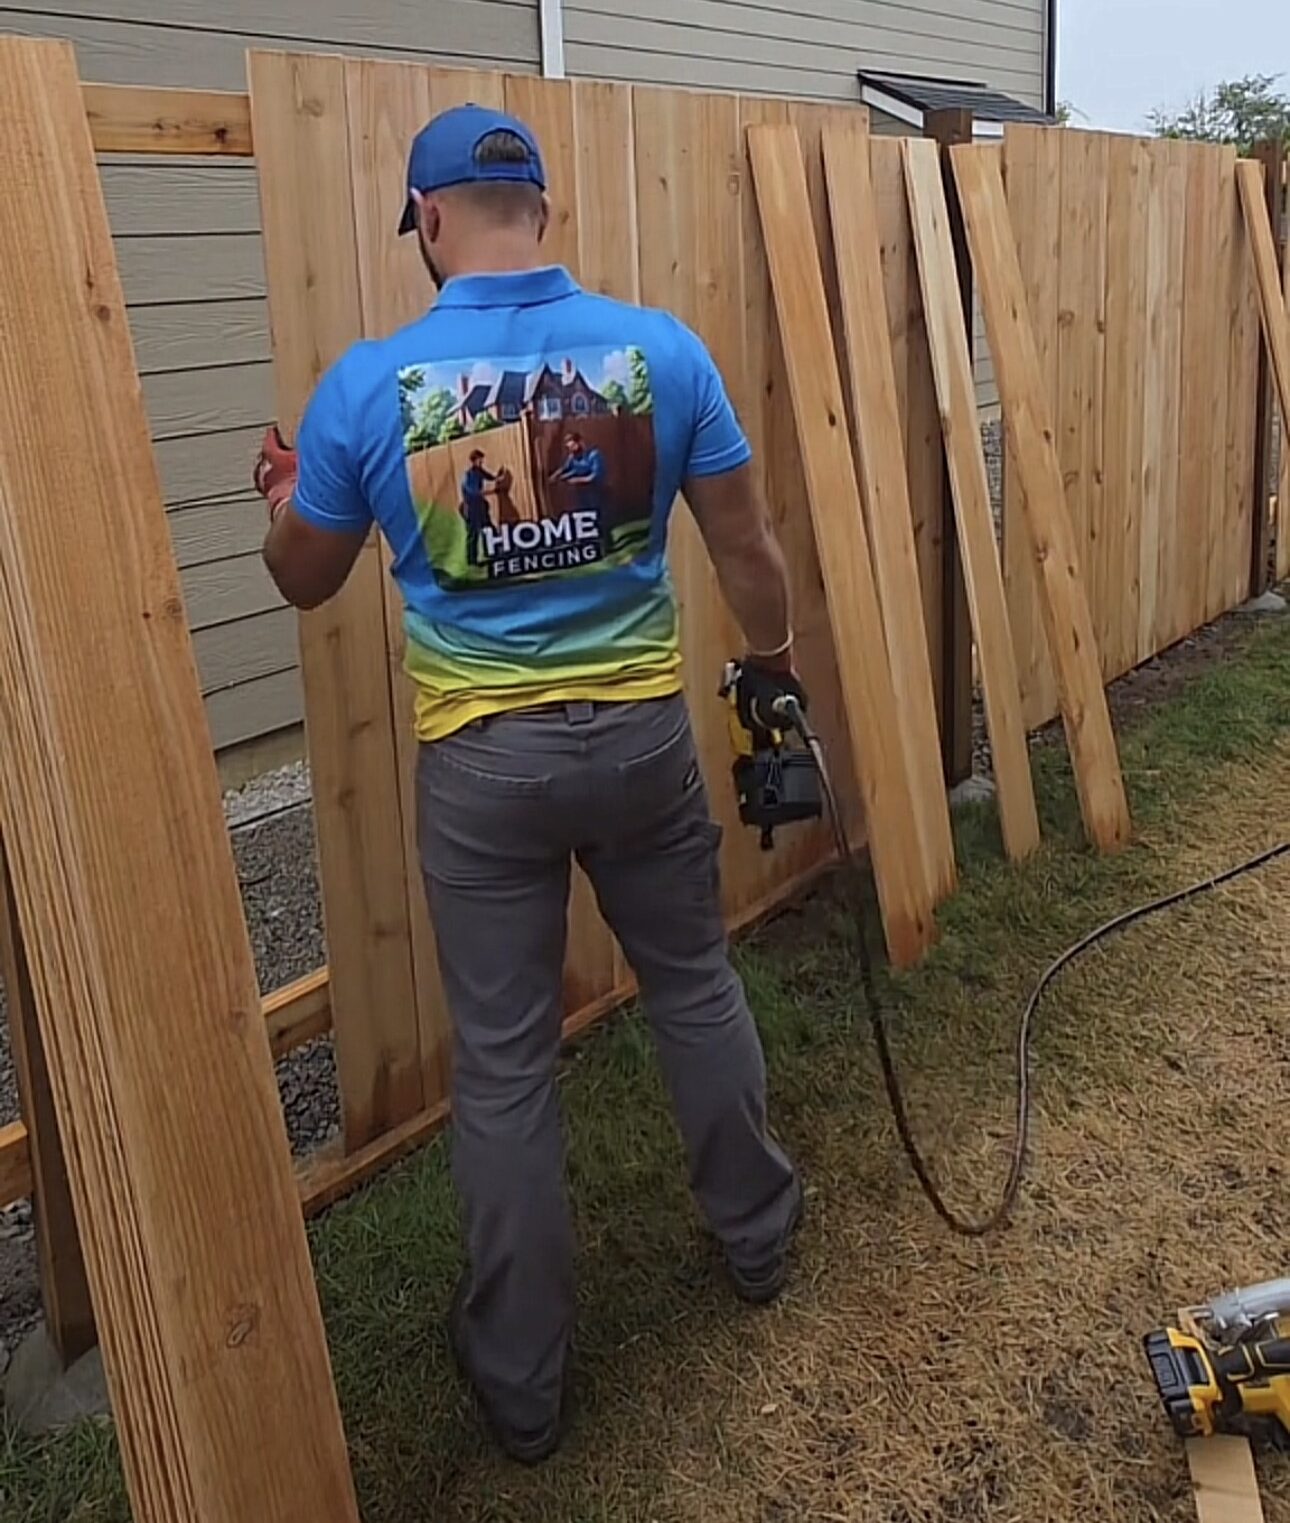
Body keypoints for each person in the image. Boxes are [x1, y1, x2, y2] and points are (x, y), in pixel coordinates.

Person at [252, 103, 806, 1465]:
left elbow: (303, 575)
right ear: (540, 212)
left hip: (483, 769)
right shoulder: (659, 352)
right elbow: (746, 547)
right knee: (690, 982)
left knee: (503, 1069)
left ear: (430, 222)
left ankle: (521, 1384)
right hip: (636, 747)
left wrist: (286, 495)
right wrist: (776, 668)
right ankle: (759, 1240)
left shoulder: (368, 386)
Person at [459, 447, 497, 563]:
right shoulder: (468, 475)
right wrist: (491, 492)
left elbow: (489, 477)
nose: (481, 462)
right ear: (474, 460)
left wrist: (498, 477)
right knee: (473, 533)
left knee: (488, 529)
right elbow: (473, 491)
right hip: (470, 507)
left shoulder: (479, 471)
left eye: (482, 460)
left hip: (480, 506)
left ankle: (490, 552)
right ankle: (471, 559)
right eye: (480, 460)